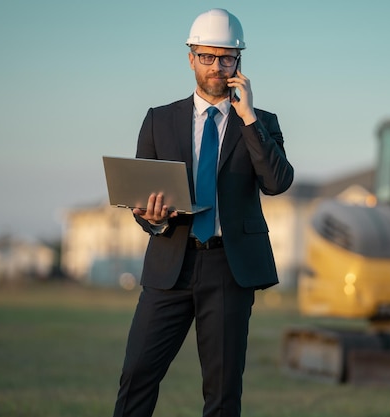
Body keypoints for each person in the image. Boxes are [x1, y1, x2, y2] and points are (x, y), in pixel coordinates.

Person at [112, 8, 294, 417]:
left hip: (229, 269)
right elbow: (143, 204)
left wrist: (247, 116)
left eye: (225, 57)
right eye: (207, 57)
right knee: (137, 376)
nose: (216, 66)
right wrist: (152, 216)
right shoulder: (159, 121)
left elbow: (277, 182)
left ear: (238, 62)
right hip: (169, 266)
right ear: (191, 57)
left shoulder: (262, 122)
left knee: (222, 393)